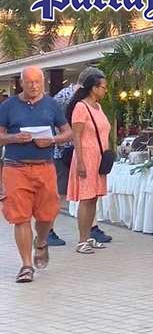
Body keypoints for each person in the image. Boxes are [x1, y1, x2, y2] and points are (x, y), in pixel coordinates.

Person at [0, 66, 72, 283]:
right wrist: (14, 138)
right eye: (29, 82)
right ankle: (26, 265)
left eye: (37, 82)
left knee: (47, 214)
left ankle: (41, 241)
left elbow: (67, 132)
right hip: (15, 168)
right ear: (21, 83)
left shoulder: (52, 105)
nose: (33, 86)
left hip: (45, 167)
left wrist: (52, 140)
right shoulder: (8, 106)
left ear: (43, 83)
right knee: (20, 217)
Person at [51, 66, 113, 246]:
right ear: (93, 87)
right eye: (103, 87)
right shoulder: (78, 105)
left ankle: (90, 233)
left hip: (98, 157)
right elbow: (76, 134)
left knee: (93, 197)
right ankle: (80, 238)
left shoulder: (98, 107)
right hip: (80, 155)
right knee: (77, 197)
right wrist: (80, 161)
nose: (105, 90)